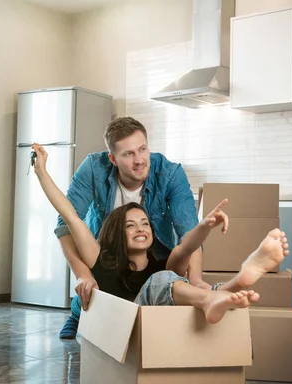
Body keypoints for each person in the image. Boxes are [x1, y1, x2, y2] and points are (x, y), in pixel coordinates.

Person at [31, 143, 290, 323]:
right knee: (163, 280)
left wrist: (204, 225)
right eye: (130, 226)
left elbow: (186, 247)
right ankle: (215, 297)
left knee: (184, 281)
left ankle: (240, 280)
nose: (141, 229)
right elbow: (70, 216)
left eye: (144, 223)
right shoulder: (101, 260)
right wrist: (41, 171)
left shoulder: (162, 261)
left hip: (165, 321)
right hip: (128, 325)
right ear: (115, 234)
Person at [54, 117, 216, 338]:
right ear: (112, 158)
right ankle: (77, 314)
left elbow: (188, 233)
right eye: (128, 154)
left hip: (154, 256)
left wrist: (195, 278)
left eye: (143, 149)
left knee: (162, 288)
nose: (139, 160)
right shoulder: (93, 167)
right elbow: (66, 223)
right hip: (107, 251)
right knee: (93, 293)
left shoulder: (170, 173)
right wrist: (83, 275)